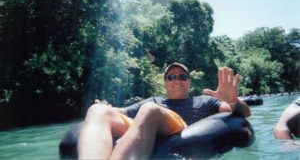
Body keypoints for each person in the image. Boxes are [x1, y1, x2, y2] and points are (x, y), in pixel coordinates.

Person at [78, 62, 251, 159]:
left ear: (189, 81)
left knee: (150, 111)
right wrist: (103, 106)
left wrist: (233, 100)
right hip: (150, 125)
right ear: (165, 82)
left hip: (179, 131)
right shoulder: (154, 100)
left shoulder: (204, 100)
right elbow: (121, 112)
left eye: (183, 76)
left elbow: (242, 113)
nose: (177, 80)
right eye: (171, 77)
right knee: (97, 110)